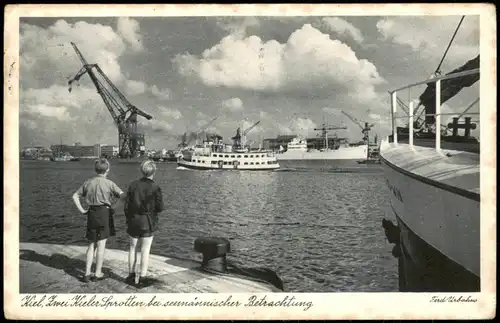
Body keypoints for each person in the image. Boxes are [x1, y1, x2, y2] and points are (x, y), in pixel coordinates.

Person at [72, 158, 125, 283]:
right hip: (105, 213)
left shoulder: (88, 183)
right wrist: (114, 208)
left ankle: (86, 273)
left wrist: (82, 210)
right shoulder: (110, 183)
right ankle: (98, 273)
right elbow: (124, 196)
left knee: (91, 244)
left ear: (95, 170)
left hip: (91, 213)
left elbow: (75, 196)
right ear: (107, 170)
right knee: (101, 244)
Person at [124, 160, 164, 286]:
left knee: (132, 248)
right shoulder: (155, 187)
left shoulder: (133, 185)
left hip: (134, 220)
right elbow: (160, 207)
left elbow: (126, 206)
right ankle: (142, 277)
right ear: (154, 171)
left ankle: (130, 275)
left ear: (142, 170)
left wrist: (129, 218)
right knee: (145, 249)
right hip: (148, 221)